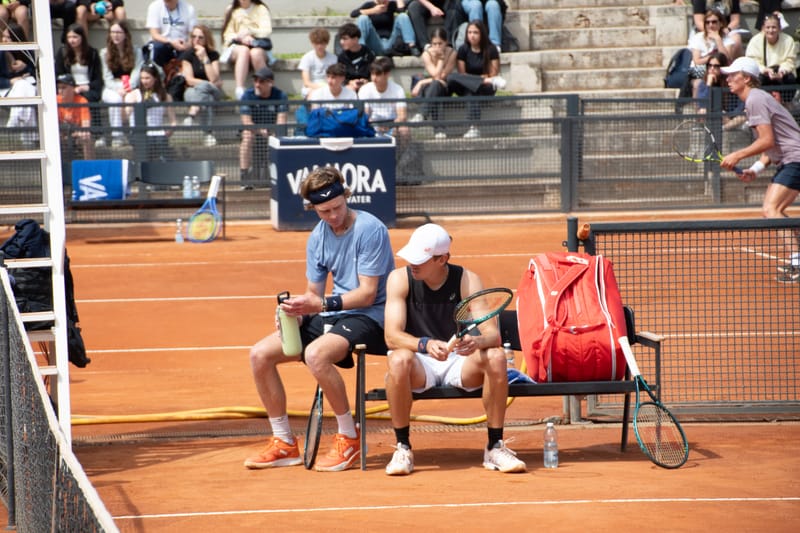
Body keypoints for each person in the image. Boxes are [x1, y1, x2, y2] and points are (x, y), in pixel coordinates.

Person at [245, 166, 395, 472]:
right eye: (324, 211)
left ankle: (349, 439)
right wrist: (297, 313)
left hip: (372, 316)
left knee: (316, 354)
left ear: (346, 196)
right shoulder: (317, 237)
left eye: (338, 207)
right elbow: (313, 293)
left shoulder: (371, 229)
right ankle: (284, 443)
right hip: (333, 313)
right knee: (259, 355)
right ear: (312, 208)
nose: (333, 216)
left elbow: (367, 293)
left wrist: (321, 304)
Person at [382, 223, 526, 476]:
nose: (412, 264)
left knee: (495, 356)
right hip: (420, 362)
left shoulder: (467, 280)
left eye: (421, 259)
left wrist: (476, 342)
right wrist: (424, 344)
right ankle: (403, 447)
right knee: (397, 360)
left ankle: (495, 446)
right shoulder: (399, 279)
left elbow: (490, 334)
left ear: (442, 259)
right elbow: (391, 336)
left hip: (459, 362)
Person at [720, 57, 800, 283]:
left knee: (771, 209)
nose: (728, 79)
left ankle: (797, 262)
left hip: (795, 159)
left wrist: (737, 154)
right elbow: (773, 143)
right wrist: (755, 168)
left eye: (733, 74)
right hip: (791, 159)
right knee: (779, 210)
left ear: (746, 78)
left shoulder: (754, 98)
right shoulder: (757, 98)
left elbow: (766, 140)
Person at [447, 19, 501, 139]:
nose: (472, 35)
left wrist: (479, 80)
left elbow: (493, 74)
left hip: (486, 87)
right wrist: (481, 79)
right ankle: (473, 128)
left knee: (471, 91)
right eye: (469, 32)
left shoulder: (491, 49)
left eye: (475, 32)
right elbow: (462, 75)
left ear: (482, 34)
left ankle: (474, 128)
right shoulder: (463, 49)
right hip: (475, 83)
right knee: (451, 78)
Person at [238, 66, 288, 188]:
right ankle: (244, 178)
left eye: (261, 81)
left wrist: (272, 133)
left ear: (270, 83)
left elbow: (281, 122)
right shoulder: (247, 95)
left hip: (272, 131)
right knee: (247, 136)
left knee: (279, 138)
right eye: (255, 81)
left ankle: (280, 177)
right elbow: (246, 121)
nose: (257, 84)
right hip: (253, 130)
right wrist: (261, 130)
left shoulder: (280, 96)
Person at [54, 23, 103, 139]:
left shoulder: (93, 53)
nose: (72, 40)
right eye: (69, 37)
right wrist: (71, 87)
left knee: (90, 98)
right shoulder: (62, 53)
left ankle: (96, 134)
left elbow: (97, 77)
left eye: (75, 37)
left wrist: (86, 87)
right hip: (69, 87)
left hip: (87, 87)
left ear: (82, 37)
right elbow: (59, 74)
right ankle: (70, 133)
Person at [99, 20, 143, 148]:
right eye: (112, 32)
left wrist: (128, 87)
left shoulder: (136, 51)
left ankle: (135, 135)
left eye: (118, 32)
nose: (115, 35)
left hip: (130, 86)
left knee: (136, 99)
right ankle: (117, 136)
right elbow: (106, 77)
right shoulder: (104, 53)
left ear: (125, 34)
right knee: (115, 99)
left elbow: (137, 71)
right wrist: (119, 88)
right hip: (112, 87)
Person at [220, 0, 274, 100]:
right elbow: (227, 34)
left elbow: (266, 31)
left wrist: (250, 33)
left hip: (257, 44)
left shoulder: (261, 8)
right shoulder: (231, 9)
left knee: (256, 53)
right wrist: (240, 37)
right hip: (236, 45)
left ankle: (264, 88)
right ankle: (240, 89)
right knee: (243, 51)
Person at [180, 24, 223, 147]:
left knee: (207, 90)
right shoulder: (187, 55)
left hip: (213, 90)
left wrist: (205, 58)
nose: (196, 40)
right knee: (207, 98)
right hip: (192, 91)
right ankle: (208, 134)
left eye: (200, 37)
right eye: (194, 37)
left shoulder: (213, 55)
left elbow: (214, 78)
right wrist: (206, 84)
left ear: (206, 39)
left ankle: (192, 113)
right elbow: (189, 80)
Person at [123, 62, 177, 161]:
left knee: (163, 148)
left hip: (158, 134)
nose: (144, 81)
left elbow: (173, 121)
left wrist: (168, 132)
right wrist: (129, 104)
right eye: (142, 78)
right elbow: (125, 117)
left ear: (155, 78)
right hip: (139, 134)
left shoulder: (165, 96)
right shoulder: (134, 95)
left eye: (147, 78)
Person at [410, 27, 456, 139]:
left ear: (446, 42)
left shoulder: (452, 53)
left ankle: (422, 113)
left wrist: (441, 59)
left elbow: (441, 76)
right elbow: (435, 76)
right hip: (428, 88)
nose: (437, 47)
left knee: (437, 86)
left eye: (440, 43)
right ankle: (439, 130)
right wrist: (424, 83)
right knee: (436, 89)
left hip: (445, 86)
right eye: (434, 44)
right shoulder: (426, 54)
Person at [745, 12, 798, 104]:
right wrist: (764, 70)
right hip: (764, 73)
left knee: (790, 79)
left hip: (782, 73)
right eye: (768, 27)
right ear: (763, 28)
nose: (771, 30)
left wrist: (782, 72)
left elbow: (790, 61)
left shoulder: (788, 40)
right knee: (756, 80)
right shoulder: (755, 41)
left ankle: (786, 103)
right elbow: (752, 61)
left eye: (774, 27)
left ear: (779, 29)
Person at [687, 9, 741, 98]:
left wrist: (718, 40)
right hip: (700, 70)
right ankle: (699, 109)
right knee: (697, 84)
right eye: (707, 22)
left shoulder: (727, 39)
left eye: (714, 22)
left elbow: (726, 60)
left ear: (720, 23)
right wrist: (712, 58)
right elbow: (697, 61)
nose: (710, 25)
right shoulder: (697, 38)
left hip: (720, 70)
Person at [1, 21, 37, 147]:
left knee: (25, 87)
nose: (5, 40)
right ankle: (29, 137)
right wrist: (10, 81)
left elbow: (37, 73)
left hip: (25, 89)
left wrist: (26, 67)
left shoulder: (27, 52)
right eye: (4, 37)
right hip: (5, 89)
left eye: (9, 37)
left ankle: (14, 122)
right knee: (24, 87)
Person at [350, 0, 420, 57]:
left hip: (390, 42)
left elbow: (402, 11)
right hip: (375, 43)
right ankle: (361, 49)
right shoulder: (369, 5)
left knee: (403, 16)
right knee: (363, 18)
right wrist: (373, 10)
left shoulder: (391, 5)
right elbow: (353, 14)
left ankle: (412, 46)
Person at [144, 0, 197, 68]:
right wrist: (171, 42)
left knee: (190, 52)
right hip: (162, 43)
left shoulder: (189, 8)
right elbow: (154, 34)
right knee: (157, 47)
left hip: (181, 44)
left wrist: (188, 45)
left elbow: (192, 34)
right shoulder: (154, 7)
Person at [57, 73, 95, 160]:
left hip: (77, 135)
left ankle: (89, 167)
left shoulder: (82, 101)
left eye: (64, 88)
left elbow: (86, 128)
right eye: (59, 88)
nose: (60, 91)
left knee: (87, 138)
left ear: (72, 88)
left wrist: (74, 134)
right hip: (62, 135)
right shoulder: (55, 100)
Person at [298, 26, 338, 99]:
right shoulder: (306, 58)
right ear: (312, 43)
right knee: (313, 95)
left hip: (329, 86)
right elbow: (306, 82)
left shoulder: (333, 58)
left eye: (322, 43)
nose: (319, 46)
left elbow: (335, 78)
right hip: (311, 87)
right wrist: (321, 88)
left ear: (327, 43)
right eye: (316, 43)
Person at [337, 22, 376, 92]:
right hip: (350, 86)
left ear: (355, 39)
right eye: (341, 39)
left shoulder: (368, 53)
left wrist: (366, 81)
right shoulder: (342, 57)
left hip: (366, 86)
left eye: (345, 39)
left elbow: (374, 72)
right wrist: (350, 82)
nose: (341, 42)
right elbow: (340, 76)